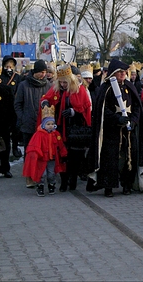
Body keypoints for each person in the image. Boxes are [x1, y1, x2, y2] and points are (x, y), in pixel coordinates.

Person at [87, 59, 143, 197]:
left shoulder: (129, 86)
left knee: (129, 158)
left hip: (128, 132)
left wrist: (133, 120)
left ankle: (127, 185)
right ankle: (108, 187)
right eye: (120, 72)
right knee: (110, 160)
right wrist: (117, 119)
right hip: (111, 132)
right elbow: (103, 110)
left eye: (124, 72)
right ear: (113, 73)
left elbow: (136, 107)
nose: (123, 74)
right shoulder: (106, 88)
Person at [40, 63, 91, 192]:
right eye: (61, 82)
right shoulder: (57, 89)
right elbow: (47, 98)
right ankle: (63, 181)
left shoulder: (79, 90)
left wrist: (74, 111)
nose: (63, 85)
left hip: (75, 128)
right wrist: (45, 102)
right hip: (60, 126)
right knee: (62, 156)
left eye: (65, 82)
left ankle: (72, 181)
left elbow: (86, 106)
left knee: (75, 157)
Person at [14, 59, 52, 188]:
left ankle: (41, 176)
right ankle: (29, 177)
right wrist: (23, 117)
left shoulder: (49, 86)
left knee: (43, 152)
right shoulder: (24, 85)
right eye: (40, 72)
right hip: (28, 125)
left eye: (44, 72)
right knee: (30, 152)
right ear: (34, 72)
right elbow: (17, 104)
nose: (43, 75)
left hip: (44, 126)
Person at [22, 106, 67, 197]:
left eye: (52, 123)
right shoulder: (39, 134)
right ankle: (40, 186)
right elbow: (34, 146)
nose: (50, 125)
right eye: (48, 124)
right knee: (42, 173)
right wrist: (36, 154)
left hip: (52, 158)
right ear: (43, 125)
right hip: (42, 158)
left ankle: (51, 185)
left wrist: (63, 153)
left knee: (51, 173)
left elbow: (60, 145)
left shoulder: (56, 134)